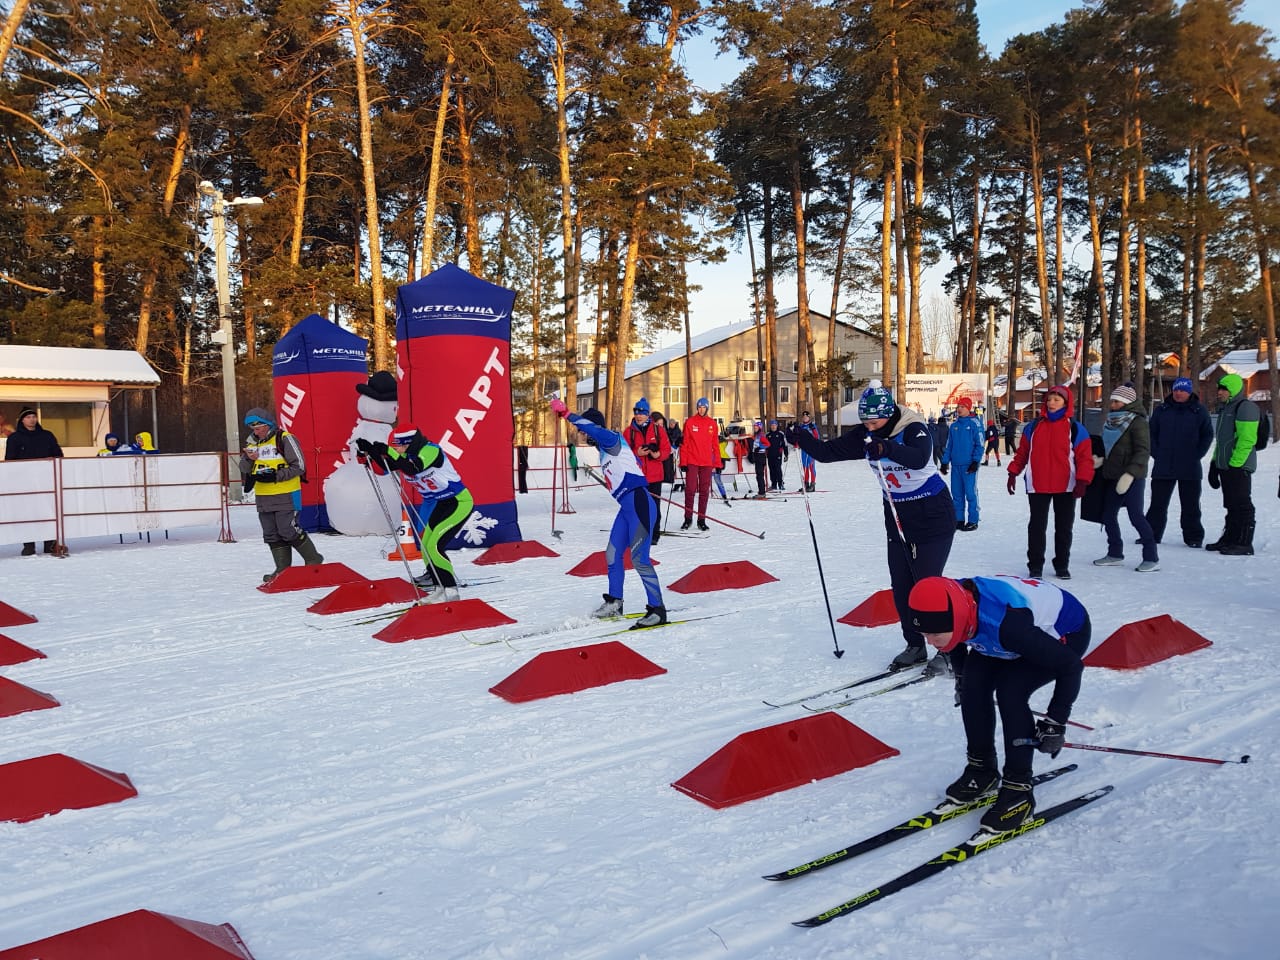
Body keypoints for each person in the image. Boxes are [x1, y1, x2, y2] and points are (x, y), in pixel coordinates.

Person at [790, 381, 955, 676]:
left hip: (932, 513)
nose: (870, 427)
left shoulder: (913, 426)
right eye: (865, 422)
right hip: (897, 514)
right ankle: (915, 645)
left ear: (889, 414)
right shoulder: (867, 433)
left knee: (928, 585)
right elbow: (829, 453)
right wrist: (802, 437)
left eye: (875, 421)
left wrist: (887, 447)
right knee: (902, 586)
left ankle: (951, 649)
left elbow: (918, 459)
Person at [907, 574, 1090, 834]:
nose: (929, 641)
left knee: (1011, 692)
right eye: (923, 633)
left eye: (934, 633)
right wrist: (962, 679)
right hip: (999, 633)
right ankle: (982, 771)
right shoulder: (951, 605)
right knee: (973, 685)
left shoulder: (1008, 625)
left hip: (1063, 633)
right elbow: (955, 643)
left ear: (957, 619)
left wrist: (1055, 722)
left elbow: (1071, 667)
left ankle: (1018, 790)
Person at [549, 399, 666, 628]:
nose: (582, 435)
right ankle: (615, 602)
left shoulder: (611, 439)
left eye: (583, 431)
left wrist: (567, 414)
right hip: (627, 507)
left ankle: (657, 609)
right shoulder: (604, 451)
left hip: (640, 503)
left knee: (639, 559)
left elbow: (592, 428)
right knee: (612, 554)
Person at [358, 422, 474, 601]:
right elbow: (388, 466)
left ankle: (451, 591)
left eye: (403, 445)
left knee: (435, 546)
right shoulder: (406, 454)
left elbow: (412, 468)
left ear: (411, 442)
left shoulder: (431, 450)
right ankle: (438, 589)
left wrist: (387, 450)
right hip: (442, 502)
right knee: (426, 547)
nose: (400, 449)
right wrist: (370, 452)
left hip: (459, 502)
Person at [1007, 384, 1095, 579]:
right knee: (1037, 526)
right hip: (1037, 484)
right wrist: (1013, 472)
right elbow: (1022, 453)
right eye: (1049, 399)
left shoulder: (1074, 428)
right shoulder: (1033, 427)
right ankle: (1035, 565)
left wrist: (1082, 480)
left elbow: (1084, 457)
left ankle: (1061, 564)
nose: (1052, 403)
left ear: (1066, 402)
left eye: (1057, 399)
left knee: (1063, 527)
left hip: (1065, 485)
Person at [239, 407, 324, 581]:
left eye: (259, 428)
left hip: (286, 493)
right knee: (271, 533)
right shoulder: (252, 444)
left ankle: (313, 559)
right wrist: (249, 458)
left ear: (268, 425)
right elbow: (243, 468)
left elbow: (299, 466)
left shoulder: (285, 438)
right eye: (253, 429)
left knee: (288, 529)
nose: (256, 432)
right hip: (263, 496)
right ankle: (282, 569)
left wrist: (275, 476)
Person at [1093, 383, 1159, 572]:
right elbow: (1110, 449)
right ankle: (1115, 553)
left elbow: (1143, 451)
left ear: (1126, 403)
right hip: (1113, 476)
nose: (1112, 404)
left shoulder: (1138, 422)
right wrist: (1100, 461)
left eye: (1116, 401)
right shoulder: (1110, 421)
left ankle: (1151, 556)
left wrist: (1130, 474)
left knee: (1136, 516)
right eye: (1112, 401)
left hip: (1132, 478)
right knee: (1108, 515)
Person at [1146, 377, 1214, 549]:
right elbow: (1151, 434)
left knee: (1191, 505)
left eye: (1182, 390)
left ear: (1189, 391)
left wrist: (1197, 455)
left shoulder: (1199, 411)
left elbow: (1207, 435)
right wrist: (1157, 453)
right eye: (1176, 390)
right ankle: (1151, 534)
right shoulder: (1162, 410)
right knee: (1157, 504)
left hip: (1189, 466)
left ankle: (1193, 537)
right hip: (1164, 464)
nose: (1178, 393)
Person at [1206, 373, 1261, 556]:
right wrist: (1215, 464)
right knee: (1231, 504)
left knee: (1242, 504)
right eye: (1219, 389)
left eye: (1224, 389)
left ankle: (1244, 542)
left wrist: (1236, 465)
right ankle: (1230, 538)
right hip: (1226, 466)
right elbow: (1222, 441)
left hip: (1239, 466)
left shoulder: (1246, 408)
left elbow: (1247, 439)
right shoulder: (1225, 409)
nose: (1219, 393)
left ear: (1233, 390)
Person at [5, 406, 64, 556]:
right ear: (22, 420)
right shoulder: (14, 438)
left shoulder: (47, 435)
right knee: (27, 513)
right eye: (28, 417)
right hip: (24, 482)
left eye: (33, 416)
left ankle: (49, 543)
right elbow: (10, 460)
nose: (32, 419)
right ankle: (29, 544)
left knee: (48, 511)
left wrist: (52, 460)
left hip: (46, 480)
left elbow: (58, 454)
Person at [622, 398, 671, 542]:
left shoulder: (658, 430)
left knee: (654, 507)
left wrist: (658, 454)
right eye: (636, 412)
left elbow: (666, 449)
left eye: (641, 413)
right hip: (637, 477)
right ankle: (640, 534)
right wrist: (636, 452)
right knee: (638, 508)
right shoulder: (628, 432)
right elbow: (623, 453)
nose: (638, 415)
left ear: (647, 414)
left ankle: (654, 535)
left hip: (655, 476)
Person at [940, 396, 983, 531]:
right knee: (957, 494)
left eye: (962, 407)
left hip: (969, 465)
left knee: (970, 493)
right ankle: (959, 519)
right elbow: (949, 445)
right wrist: (944, 462)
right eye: (958, 406)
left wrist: (976, 461)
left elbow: (980, 444)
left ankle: (973, 520)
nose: (959, 409)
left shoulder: (975, 424)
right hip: (956, 466)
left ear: (968, 408)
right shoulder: (954, 426)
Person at [679, 397, 722, 530]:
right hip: (692, 460)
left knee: (704, 491)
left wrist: (718, 463)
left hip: (707, 462)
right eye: (699, 407)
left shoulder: (712, 424)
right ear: (697, 408)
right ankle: (688, 518)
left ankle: (701, 519)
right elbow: (684, 444)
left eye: (704, 407)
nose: (701, 409)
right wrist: (683, 462)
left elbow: (715, 444)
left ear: (707, 408)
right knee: (690, 490)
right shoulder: (690, 422)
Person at [795, 411, 819, 491]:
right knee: (804, 467)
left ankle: (812, 484)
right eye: (804, 417)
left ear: (809, 417)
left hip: (811, 449)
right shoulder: (801, 427)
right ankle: (806, 484)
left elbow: (816, 437)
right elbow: (798, 437)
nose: (805, 418)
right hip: (804, 449)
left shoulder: (812, 426)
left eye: (806, 417)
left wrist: (813, 429)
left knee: (811, 466)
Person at [764, 419, 788, 490]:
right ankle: (774, 484)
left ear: (777, 426)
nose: (773, 427)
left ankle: (780, 484)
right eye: (772, 425)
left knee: (778, 469)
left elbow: (785, 444)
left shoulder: (781, 434)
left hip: (778, 455)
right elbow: (764, 445)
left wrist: (786, 454)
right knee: (772, 470)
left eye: (774, 425)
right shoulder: (768, 435)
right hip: (770, 455)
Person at [750, 420, 769, 497]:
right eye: (754, 427)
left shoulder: (761, 436)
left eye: (756, 427)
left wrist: (760, 447)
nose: (755, 428)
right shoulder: (756, 436)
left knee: (760, 475)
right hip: (757, 456)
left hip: (761, 456)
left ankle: (762, 492)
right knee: (758, 474)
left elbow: (768, 444)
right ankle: (761, 491)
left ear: (760, 428)